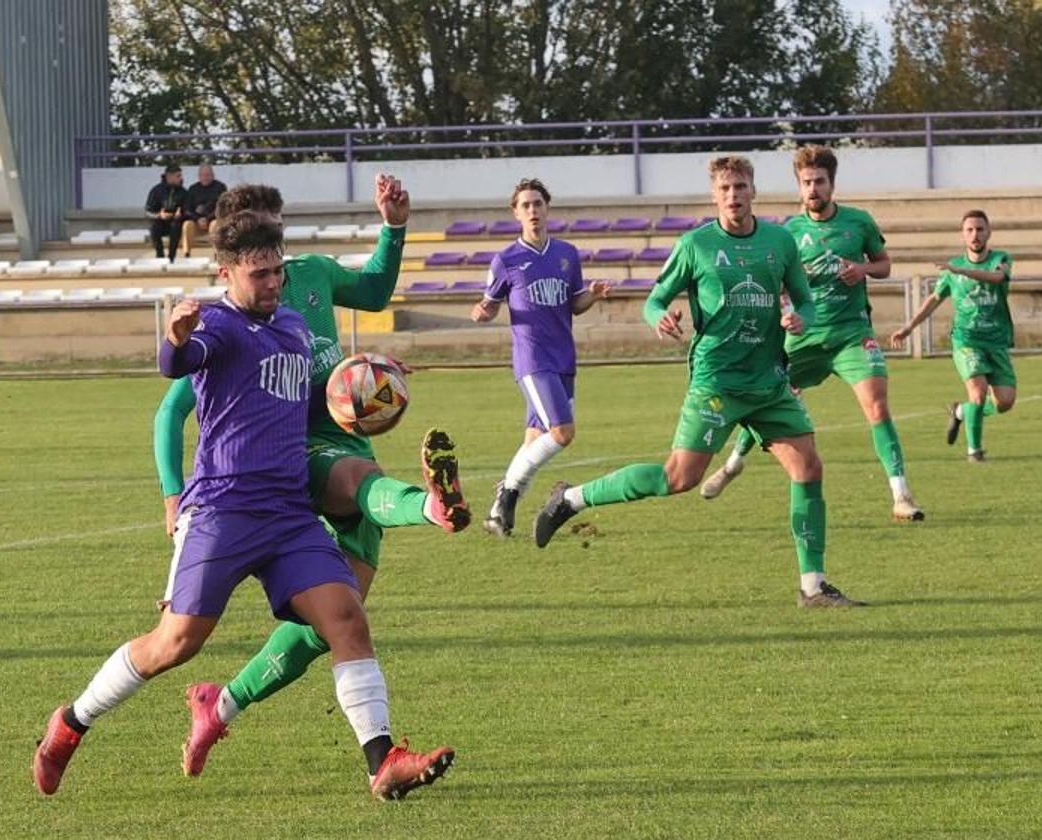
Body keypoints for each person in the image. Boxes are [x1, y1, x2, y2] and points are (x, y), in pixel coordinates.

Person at [32, 211, 455, 801]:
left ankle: (382, 763)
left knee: (346, 618)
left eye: (278, 271)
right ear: (226, 272)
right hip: (223, 513)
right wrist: (176, 336)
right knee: (174, 645)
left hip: (287, 515)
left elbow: (324, 386)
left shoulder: (292, 327)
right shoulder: (219, 327)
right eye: (259, 274)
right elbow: (176, 365)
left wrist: (373, 375)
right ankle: (69, 724)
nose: (274, 283)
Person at [154, 176, 470, 777]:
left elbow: (376, 291)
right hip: (286, 457)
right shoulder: (229, 317)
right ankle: (434, 507)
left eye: (275, 225)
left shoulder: (313, 276)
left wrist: (394, 227)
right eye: (255, 232)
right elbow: (171, 409)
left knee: (333, 622)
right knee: (356, 483)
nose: (272, 246)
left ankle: (217, 707)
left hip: (345, 434)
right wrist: (174, 492)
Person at [533, 155, 863, 608]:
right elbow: (656, 299)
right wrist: (659, 318)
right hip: (717, 382)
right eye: (725, 189)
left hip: (768, 381)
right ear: (714, 196)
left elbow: (805, 301)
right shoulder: (697, 245)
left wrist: (798, 318)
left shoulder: (780, 242)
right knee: (679, 478)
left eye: (741, 186)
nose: (734, 195)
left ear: (753, 191)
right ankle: (570, 499)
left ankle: (813, 585)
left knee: (808, 467)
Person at [701, 145, 924, 522]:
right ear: (799, 186)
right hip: (803, 337)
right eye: (806, 182)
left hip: (851, 333)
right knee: (765, 402)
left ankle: (901, 495)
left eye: (819, 181)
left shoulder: (859, 222)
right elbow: (776, 286)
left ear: (831, 184)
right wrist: (786, 314)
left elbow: (884, 265)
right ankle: (733, 464)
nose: (813, 189)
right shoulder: (787, 233)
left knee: (877, 405)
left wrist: (861, 269)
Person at [470, 177, 610, 536]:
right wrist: (483, 312)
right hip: (532, 359)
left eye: (538, 204)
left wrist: (591, 295)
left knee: (536, 439)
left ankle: (495, 515)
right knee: (562, 432)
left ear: (547, 208)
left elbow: (575, 304)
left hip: (564, 357)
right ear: (516, 213)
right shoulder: (506, 260)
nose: (533, 210)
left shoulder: (566, 254)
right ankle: (508, 495)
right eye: (526, 205)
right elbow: (490, 303)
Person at [890, 210, 1016, 462]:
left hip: (996, 339)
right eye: (969, 230)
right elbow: (934, 299)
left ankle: (961, 411)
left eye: (980, 229)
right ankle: (975, 451)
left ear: (988, 232)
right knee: (978, 392)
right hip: (966, 340)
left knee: (1005, 402)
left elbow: (996, 277)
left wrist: (963, 271)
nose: (975, 234)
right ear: (963, 235)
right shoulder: (952, 269)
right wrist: (909, 327)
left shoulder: (1000, 259)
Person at [181, 163, 226, 257]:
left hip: (212, 220)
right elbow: (187, 209)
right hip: (196, 221)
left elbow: (223, 207)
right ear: (199, 176)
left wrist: (208, 219)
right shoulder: (193, 189)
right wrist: (197, 219)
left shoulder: (220, 187)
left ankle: (217, 254)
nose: (205, 177)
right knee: (187, 225)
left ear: (213, 175)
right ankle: (187, 254)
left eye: (208, 175)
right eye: (202, 175)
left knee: (215, 225)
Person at [145, 163, 187, 261]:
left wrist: (180, 215)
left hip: (175, 222)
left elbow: (187, 210)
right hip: (160, 222)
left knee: (175, 226)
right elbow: (148, 211)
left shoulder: (183, 192)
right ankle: (160, 256)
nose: (181, 178)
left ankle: (171, 257)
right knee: (154, 227)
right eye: (178, 176)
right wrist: (159, 215)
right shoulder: (156, 191)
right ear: (169, 177)